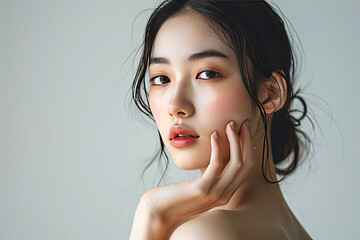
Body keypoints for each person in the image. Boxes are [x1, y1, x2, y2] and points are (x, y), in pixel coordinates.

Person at [129, 0, 312, 239]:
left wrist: (150, 213)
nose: (176, 106)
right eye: (162, 78)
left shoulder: (205, 232)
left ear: (271, 93)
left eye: (207, 74)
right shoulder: (290, 230)